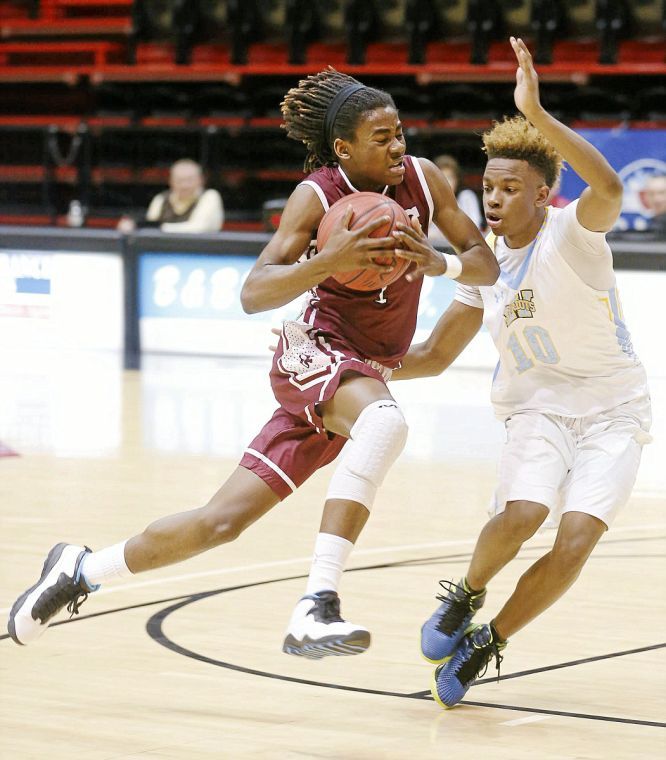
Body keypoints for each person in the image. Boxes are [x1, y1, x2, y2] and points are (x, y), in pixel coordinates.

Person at [8, 69, 498, 656]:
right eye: (383, 137)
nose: (399, 146)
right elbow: (253, 291)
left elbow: (482, 263)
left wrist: (437, 262)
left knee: (221, 522)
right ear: (344, 148)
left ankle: (81, 570)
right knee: (386, 422)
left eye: (400, 133)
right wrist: (327, 261)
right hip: (315, 351)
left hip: (363, 371)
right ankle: (317, 605)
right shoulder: (317, 195)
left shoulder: (422, 178)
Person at [393, 38, 652, 707]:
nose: (496, 198)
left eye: (512, 188)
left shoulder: (572, 233)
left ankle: (488, 640)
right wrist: (360, 366)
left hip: (616, 409)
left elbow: (611, 186)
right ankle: (467, 594)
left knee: (573, 541)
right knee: (524, 513)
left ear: (544, 193)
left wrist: (536, 112)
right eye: (489, 187)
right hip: (536, 407)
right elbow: (434, 356)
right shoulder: (481, 265)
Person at [117, 159, 224, 233]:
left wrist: (161, 228)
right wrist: (133, 226)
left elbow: (199, 228)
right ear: (171, 181)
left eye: (190, 180)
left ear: (201, 180)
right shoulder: (161, 199)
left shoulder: (210, 196)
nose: (184, 185)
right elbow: (150, 230)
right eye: (179, 180)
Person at [428, 154, 484, 247]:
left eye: (450, 177)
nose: (447, 182)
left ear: (457, 179)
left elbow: (474, 229)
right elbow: (425, 235)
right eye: (442, 177)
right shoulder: (429, 203)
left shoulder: (466, 197)